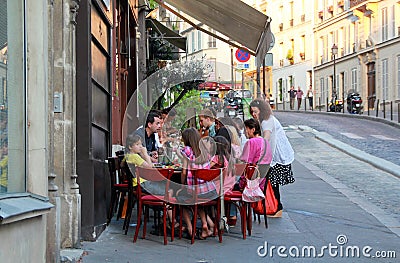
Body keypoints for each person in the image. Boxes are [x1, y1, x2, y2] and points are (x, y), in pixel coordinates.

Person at [249, 99, 295, 218]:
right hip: (276, 154)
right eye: (252, 112)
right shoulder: (266, 119)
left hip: (277, 155)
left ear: (261, 110)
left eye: (255, 111)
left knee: (273, 183)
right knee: (272, 182)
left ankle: (277, 208)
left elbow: (267, 137)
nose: (254, 114)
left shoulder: (267, 121)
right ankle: (274, 207)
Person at [176, 127, 217, 239]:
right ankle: (206, 225)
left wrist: (182, 185)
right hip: (209, 190)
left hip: (195, 191)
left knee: (181, 199)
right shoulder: (204, 151)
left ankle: (190, 229)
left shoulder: (187, 150)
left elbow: (184, 171)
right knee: (198, 203)